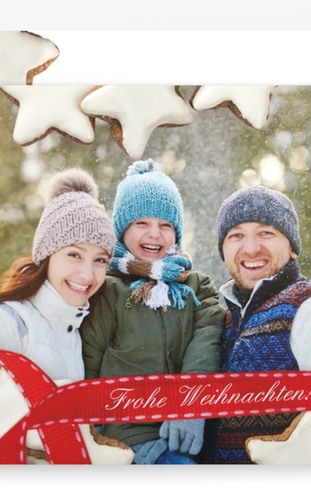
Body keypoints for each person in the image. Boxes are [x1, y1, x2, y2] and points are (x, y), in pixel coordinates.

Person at [0, 169, 116, 464]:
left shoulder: (75, 330)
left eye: (100, 260)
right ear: (47, 255)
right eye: (74, 255)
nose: (87, 274)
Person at [202, 185, 311, 464]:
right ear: (223, 249)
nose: (251, 247)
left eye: (266, 232)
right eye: (236, 236)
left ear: (292, 246)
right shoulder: (227, 319)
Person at [80, 159, 225, 465]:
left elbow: (206, 344)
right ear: (121, 230)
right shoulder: (108, 290)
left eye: (166, 225)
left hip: (187, 432)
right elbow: (89, 364)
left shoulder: (196, 288)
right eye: (141, 223)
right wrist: (93, 442)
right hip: (127, 441)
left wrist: (190, 406)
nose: (154, 235)